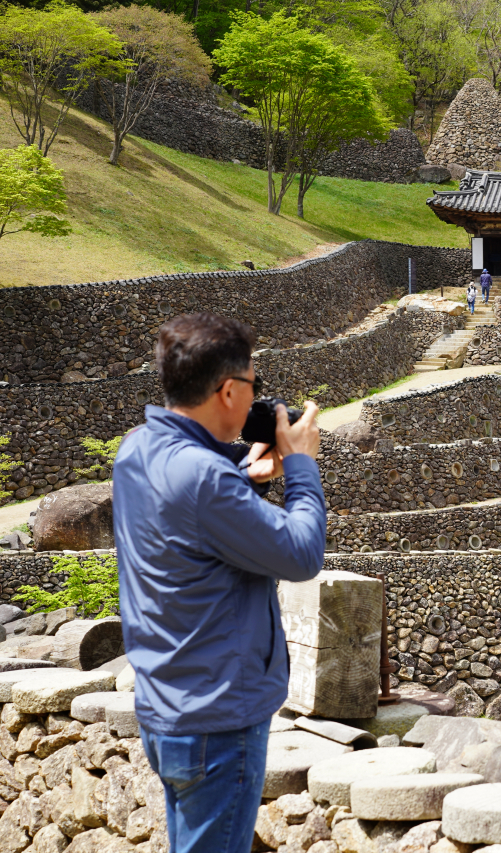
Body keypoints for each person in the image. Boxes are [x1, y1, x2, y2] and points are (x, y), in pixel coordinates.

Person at [113, 312, 326, 853]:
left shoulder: (136, 450)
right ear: (228, 390)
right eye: (253, 386)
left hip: (169, 703)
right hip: (218, 719)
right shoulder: (207, 479)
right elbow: (301, 554)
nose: (257, 399)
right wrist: (301, 467)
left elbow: (192, 510)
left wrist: (243, 473)